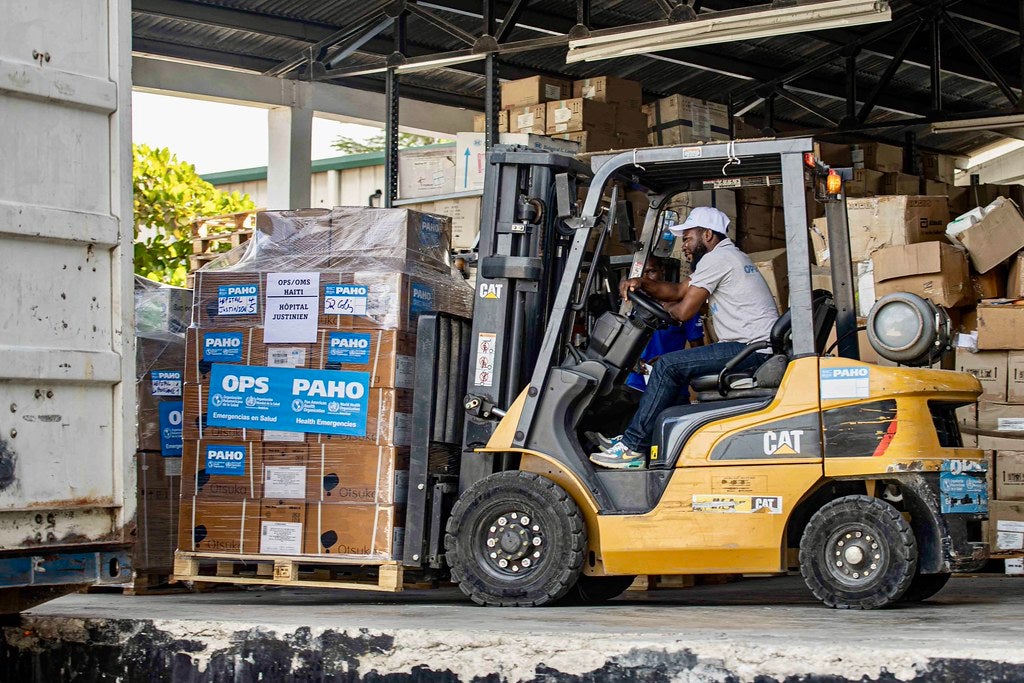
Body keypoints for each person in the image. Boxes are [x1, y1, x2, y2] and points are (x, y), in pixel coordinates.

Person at [589, 206, 780, 470]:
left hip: (749, 351)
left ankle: (633, 448)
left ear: (708, 235)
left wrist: (658, 309)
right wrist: (642, 284)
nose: (685, 245)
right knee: (673, 368)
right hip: (751, 349)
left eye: (689, 238)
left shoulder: (718, 259)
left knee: (667, 366)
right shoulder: (728, 257)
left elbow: (683, 310)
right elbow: (679, 290)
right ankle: (647, 438)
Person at [624, 256, 704, 394]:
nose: (644, 279)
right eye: (641, 273)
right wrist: (635, 363)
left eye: (651, 272)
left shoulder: (683, 307)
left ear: (662, 271)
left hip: (671, 386)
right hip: (634, 384)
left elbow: (699, 352)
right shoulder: (628, 305)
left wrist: (670, 361)